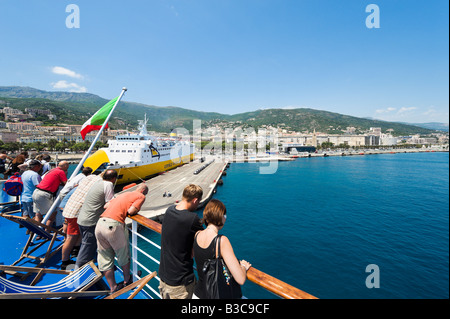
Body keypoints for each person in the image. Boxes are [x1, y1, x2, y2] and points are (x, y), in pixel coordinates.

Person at [192, 199, 251, 299]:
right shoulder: (221, 241)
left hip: (197, 294)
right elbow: (240, 279)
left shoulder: (197, 235)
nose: (225, 219)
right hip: (213, 295)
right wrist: (244, 267)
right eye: (225, 216)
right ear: (220, 217)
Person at [95, 183, 148, 293]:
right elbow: (131, 211)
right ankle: (127, 281)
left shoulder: (124, 194)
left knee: (105, 256)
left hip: (100, 224)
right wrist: (136, 208)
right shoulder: (141, 196)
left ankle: (113, 287)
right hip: (113, 226)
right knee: (123, 254)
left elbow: (106, 206)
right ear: (143, 191)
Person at [158, 184, 204, 299]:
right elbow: (205, 239)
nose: (198, 205)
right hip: (180, 282)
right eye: (198, 202)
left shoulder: (169, 211)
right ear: (195, 200)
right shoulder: (192, 218)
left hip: (164, 277)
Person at [75, 169, 117, 268]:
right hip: (90, 221)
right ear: (114, 178)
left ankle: (92, 263)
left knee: (90, 244)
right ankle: (78, 270)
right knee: (87, 246)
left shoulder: (99, 182)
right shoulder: (108, 185)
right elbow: (109, 202)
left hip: (82, 218)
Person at [60, 172, 102, 270]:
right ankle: (65, 262)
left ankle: (75, 250)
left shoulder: (88, 179)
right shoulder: (99, 184)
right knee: (70, 238)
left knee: (75, 234)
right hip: (75, 214)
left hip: (69, 209)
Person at [32, 161, 69, 227]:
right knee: (52, 215)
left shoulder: (52, 170)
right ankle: (46, 232)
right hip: (44, 194)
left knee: (38, 214)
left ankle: (36, 233)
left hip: (36, 192)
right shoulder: (61, 172)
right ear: (65, 166)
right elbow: (66, 185)